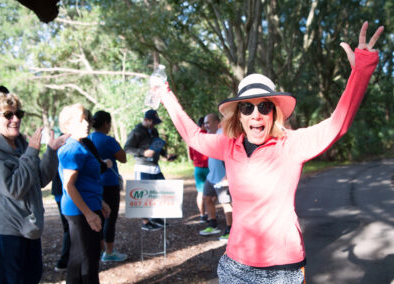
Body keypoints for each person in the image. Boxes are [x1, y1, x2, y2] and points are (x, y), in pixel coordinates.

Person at [159, 22, 383, 283]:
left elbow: (337, 124)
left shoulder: (291, 144)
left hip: (283, 269)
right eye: (247, 108)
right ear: (239, 116)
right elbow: (193, 136)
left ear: (274, 113)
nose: (256, 114)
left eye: (264, 106)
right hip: (236, 266)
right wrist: (165, 93)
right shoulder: (227, 145)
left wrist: (362, 68)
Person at [0, 87, 68, 283]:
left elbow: (39, 179)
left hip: (30, 229)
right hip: (6, 234)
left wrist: (50, 153)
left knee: (32, 277)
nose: (16, 119)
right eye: (8, 115)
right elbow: (14, 188)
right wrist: (31, 152)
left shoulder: (21, 144)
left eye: (18, 113)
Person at [57, 103, 110, 284]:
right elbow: (69, 185)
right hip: (80, 210)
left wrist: (100, 203)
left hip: (87, 205)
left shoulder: (81, 145)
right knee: (89, 257)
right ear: (68, 125)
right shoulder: (72, 148)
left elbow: (86, 180)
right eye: (80, 120)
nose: (86, 123)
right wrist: (89, 214)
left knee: (79, 256)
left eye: (87, 119)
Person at [124, 109, 176, 231]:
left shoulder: (154, 131)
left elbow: (157, 145)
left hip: (155, 166)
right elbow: (127, 148)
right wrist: (143, 152)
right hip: (142, 167)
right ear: (146, 120)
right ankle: (145, 222)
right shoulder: (136, 132)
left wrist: (165, 155)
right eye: (153, 122)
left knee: (161, 190)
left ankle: (156, 217)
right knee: (143, 194)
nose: (154, 125)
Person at [89, 110, 128, 262]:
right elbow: (123, 158)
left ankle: (100, 250)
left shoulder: (87, 138)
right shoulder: (108, 140)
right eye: (109, 123)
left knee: (98, 216)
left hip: (94, 182)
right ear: (106, 123)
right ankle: (110, 252)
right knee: (110, 216)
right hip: (110, 182)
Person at [199, 113, 232, 242]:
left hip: (222, 177)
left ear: (216, 123)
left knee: (226, 203)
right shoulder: (211, 136)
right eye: (205, 123)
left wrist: (227, 175)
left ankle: (230, 230)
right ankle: (213, 224)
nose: (206, 125)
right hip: (211, 176)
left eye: (208, 122)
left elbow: (230, 156)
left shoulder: (222, 135)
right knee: (206, 198)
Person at [188, 116, 209, 223]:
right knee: (211, 194)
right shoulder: (209, 135)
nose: (207, 125)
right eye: (206, 123)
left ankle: (202, 215)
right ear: (203, 125)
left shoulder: (193, 138)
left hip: (198, 168)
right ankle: (210, 214)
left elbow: (191, 155)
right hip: (209, 168)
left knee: (200, 193)